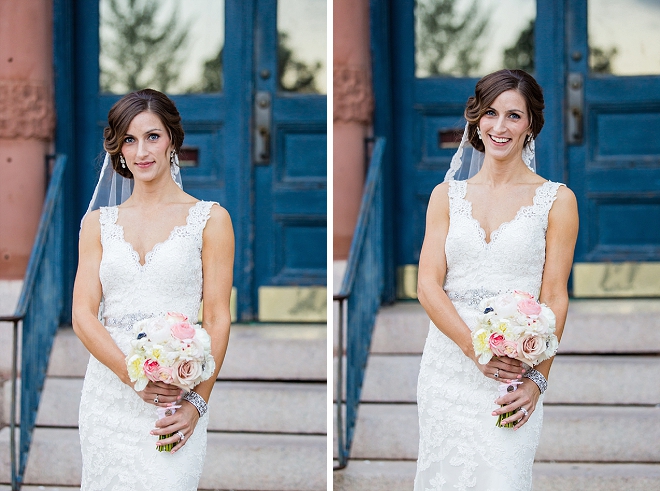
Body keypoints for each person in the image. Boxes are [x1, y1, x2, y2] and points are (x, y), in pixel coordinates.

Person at [414, 69, 579, 490]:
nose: (499, 127)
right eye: (490, 113)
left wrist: (538, 380)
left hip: (514, 371)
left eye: (513, 116)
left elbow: (555, 297)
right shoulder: (445, 196)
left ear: (530, 126)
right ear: (476, 119)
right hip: (448, 365)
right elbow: (428, 285)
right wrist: (474, 349)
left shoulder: (557, 200)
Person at [72, 88, 234, 490]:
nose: (141, 150)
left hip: (175, 397)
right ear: (118, 150)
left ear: (173, 141)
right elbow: (82, 315)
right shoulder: (97, 224)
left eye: (152, 136)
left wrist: (197, 402)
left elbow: (216, 317)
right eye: (129, 139)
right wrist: (134, 377)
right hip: (108, 396)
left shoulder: (210, 219)